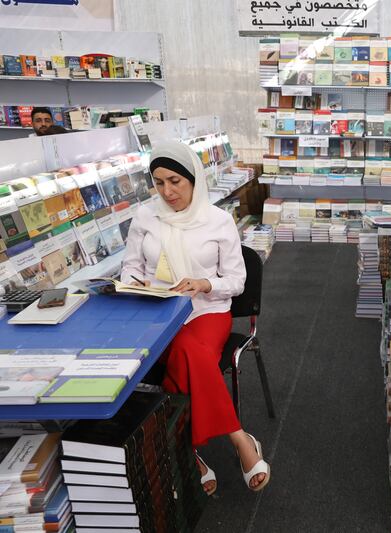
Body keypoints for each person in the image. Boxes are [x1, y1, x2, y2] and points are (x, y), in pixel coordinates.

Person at [120, 140, 270, 495]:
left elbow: (236, 282)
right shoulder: (145, 217)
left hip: (207, 311)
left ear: (193, 179)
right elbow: (130, 267)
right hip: (158, 312)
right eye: (158, 182)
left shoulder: (217, 221)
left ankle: (189, 451)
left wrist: (203, 284)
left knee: (188, 351)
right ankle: (239, 437)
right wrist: (135, 283)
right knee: (190, 354)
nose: (167, 191)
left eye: (175, 181)